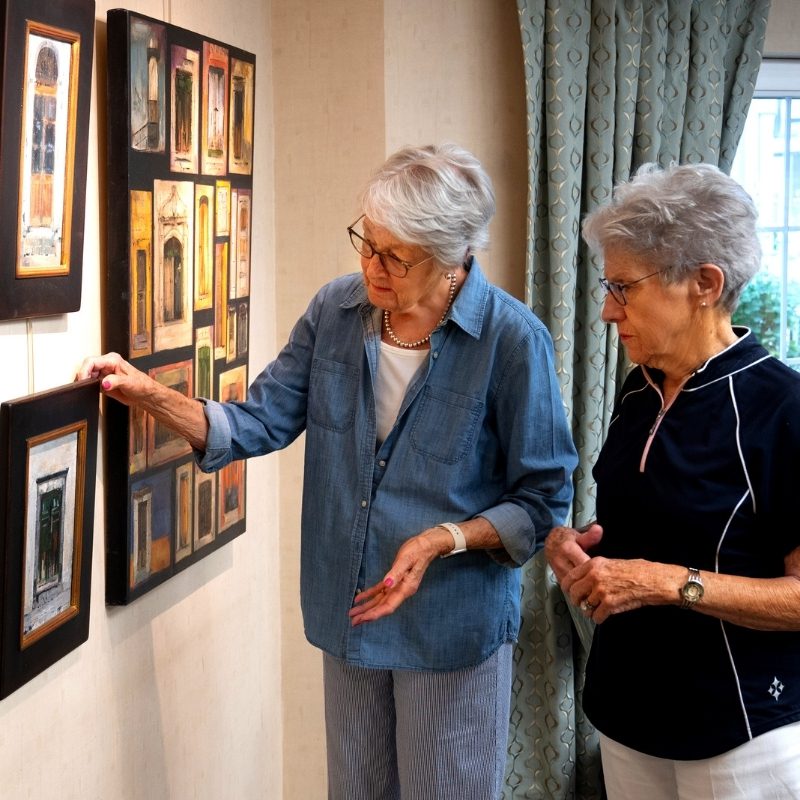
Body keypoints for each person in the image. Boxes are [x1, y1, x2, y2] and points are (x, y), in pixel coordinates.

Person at [78, 143, 578, 800]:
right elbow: (258, 422)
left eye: (395, 257)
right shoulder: (334, 314)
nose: (372, 266)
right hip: (350, 613)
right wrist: (149, 394)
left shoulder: (512, 341)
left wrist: (444, 539)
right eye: (366, 244)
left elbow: (544, 498)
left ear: (452, 256)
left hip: (450, 627)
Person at [545, 162, 800, 799]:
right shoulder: (639, 390)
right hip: (629, 715)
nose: (606, 310)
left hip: (739, 733)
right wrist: (583, 555)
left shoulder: (781, 409)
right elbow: (647, 531)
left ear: (704, 285)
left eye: (624, 287)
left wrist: (664, 582)